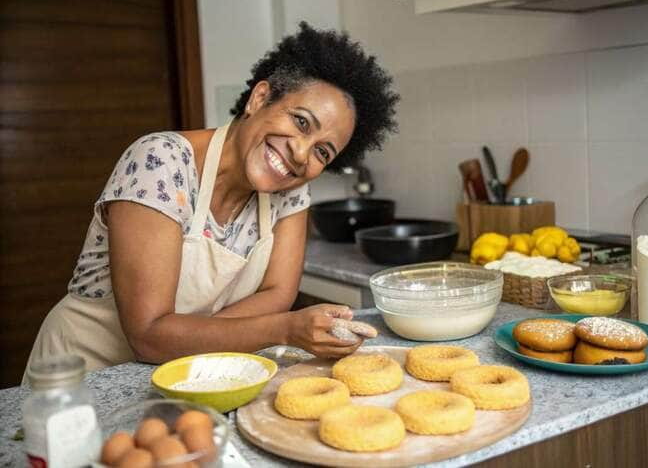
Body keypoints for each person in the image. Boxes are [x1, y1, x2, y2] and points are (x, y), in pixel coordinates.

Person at [24, 22, 399, 379]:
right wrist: (284, 331)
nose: (302, 154)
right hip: (84, 378)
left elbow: (278, 295)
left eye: (323, 152)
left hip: (189, 373)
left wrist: (179, 339)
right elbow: (146, 334)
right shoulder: (161, 161)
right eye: (301, 122)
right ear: (260, 97)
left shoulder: (290, 189)